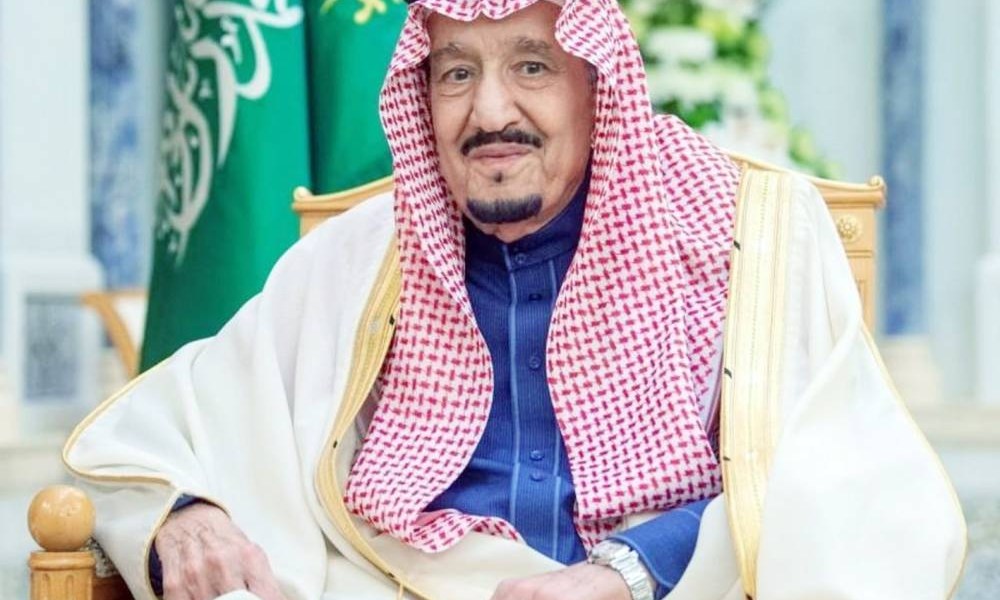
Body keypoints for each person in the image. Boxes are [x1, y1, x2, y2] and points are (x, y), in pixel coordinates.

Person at [63, 1, 966, 599]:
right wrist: (187, 513)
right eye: (456, 74)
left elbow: (842, 480)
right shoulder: (358, 260)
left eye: (532, 67)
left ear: (597, 87)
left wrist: (627, 571)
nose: (489, 112)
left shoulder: (749, 237)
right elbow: (161, 430)